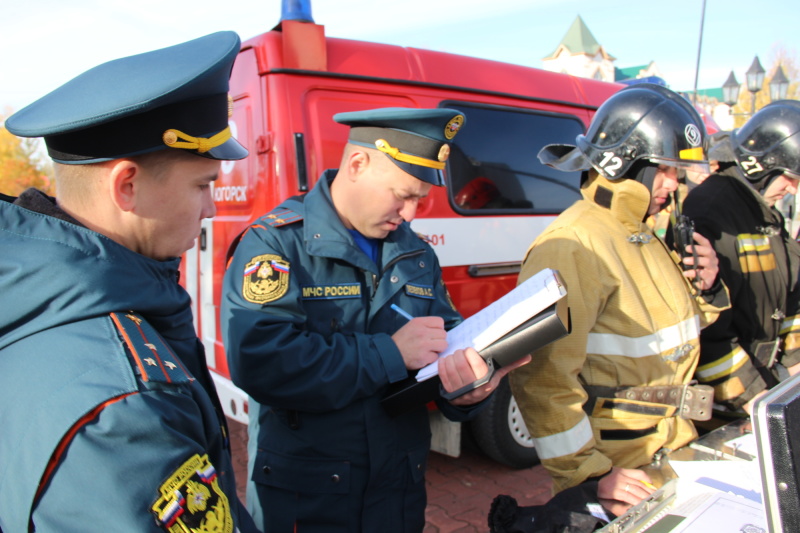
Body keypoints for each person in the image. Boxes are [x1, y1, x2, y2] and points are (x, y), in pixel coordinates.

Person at [221, 107, 528, 532]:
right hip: (308, 496)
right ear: (357, 164)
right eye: (402, 194)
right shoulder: (276, 243)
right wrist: (390, 352)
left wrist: (463, 392)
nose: (411, 212)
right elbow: (261, 361)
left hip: (396, 491)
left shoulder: (417, 253)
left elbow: (443, 341)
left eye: (419, 197)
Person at [0, 32, 259, 532]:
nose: (210, 209)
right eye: (202, 186)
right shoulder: (127, 409)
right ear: (127, 186)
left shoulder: (31, 294)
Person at [508, 84, 731, 518]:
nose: (675, 181)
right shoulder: (572, 245)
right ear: (625, 161)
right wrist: (589, 477)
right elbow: (543, 382)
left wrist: (707, 287)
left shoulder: (642, 231)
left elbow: (661, 337)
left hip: (664, 450)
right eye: (666, 168)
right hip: (619, 475)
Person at [672, 101, 800, 416]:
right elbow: (708, 331)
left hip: (767, 383)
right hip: (730, 404)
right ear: (763, 164)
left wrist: (794, 367)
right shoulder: (712, 212)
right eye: (789, 175)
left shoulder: (762, 212)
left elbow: (788, 293)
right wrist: (754, 402)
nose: (794, 188)